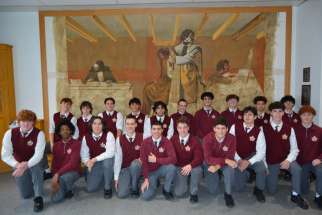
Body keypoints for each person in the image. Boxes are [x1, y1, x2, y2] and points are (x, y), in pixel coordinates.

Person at [263, 102, 308, 209]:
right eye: (274, 111)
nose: (277, 114)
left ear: (283, 113)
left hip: (285, 159)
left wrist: (288, 160)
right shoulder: (263, 129)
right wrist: (265, 166)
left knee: (297, 169)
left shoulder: (289, 128)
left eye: (280, 111)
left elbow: (295, 149)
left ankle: (295, 195)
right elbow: (261, 150)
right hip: (271, 161)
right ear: (270, 113)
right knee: (271, 191)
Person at [1, 110, 45, 212]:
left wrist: (26, 164)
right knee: (26, 195)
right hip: (18, 164)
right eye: (23, 120)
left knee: (36, 169)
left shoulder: (39, 134)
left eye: (29, 121)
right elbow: (5, 155)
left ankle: (38, 198)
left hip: (34, 162)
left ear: (33, 122)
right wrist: (18, 165)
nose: (26, 123)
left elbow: (38, 155)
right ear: (19, 122)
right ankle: (35, 179)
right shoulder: (9, 133)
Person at [229, 106, 266, 202]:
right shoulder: (234, 127)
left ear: (255, 117)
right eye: (245, 114)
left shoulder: (259, 131)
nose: (247, 117)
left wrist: (248, 162)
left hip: (252, 157)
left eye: (250, 115)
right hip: (238, 157)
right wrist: (239, 160)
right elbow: (230, 146)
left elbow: (261, 152)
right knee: (239, 189)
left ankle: (258, 190)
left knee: (261, 169)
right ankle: (247, 174)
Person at [203, 116, 237, 208]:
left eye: (223, 128)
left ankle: (228, 194)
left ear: (227, 129)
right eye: (218, 128)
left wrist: (218, 166)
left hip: (224, 164)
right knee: (213, 191)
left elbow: (230, 156)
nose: (220, 131)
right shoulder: (207, 138)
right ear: (214, 129)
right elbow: (208, 158)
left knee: (230, 169)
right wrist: (224, 160)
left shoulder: (232, 138)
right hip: (210, 163)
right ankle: (216, 176)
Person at [294, 105, 322, 209]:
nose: (306, 117)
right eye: (304, 115)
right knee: (304, 191)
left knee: (321, 171)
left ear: (313, 116)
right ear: (300, 116)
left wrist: (319, 158)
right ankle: (307, 180)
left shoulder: (320, 131)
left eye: (309, 115)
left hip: (315, 161)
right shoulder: (294, 130)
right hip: (301, 162)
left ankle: (319, 196)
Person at [140, 121, 177, 201]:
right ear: (151, 130)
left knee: (171, 167)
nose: (156, 131)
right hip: (150, 172)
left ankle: (166, 190)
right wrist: (146, 179)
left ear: (162, 130)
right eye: (154, 129)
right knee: (146, 196)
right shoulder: (145, 143)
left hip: (161, 168)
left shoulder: (167, 141)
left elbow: (173, 159)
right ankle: (155, 182)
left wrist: (157, 159)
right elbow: (144, 163)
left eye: (158, 129)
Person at [81, 116, 115, 199]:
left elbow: (110, 152)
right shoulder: (86, 137)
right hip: (94, 163)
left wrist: (94, 159)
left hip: (107, 161)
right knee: (90, 188)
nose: (97, 126)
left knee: (107, 162)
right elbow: (84, 154)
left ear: (103, 126)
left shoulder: (109, 135)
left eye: (100, 124)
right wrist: (87, 163)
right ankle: (103, 176)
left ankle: (107, 187)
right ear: (91, 125)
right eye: (94, 124)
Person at [171, 117, 203, 203]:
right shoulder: (173, 139)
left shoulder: (195, 140)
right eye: (180, 127)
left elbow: (199, 158)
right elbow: (171, 156)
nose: (182, 130)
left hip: (192, 166)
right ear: (177, 128)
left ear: (188, 128)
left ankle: (193, 193)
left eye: (185, 127)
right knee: (179, 193)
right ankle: (185, 180)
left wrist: (190, 165)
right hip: (179, 167)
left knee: (197, 170)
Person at [51, 120, 81, 203]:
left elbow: (73, 164)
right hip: (60, 173)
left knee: (64, 178)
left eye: (67, 129)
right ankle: (67, 189)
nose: (65, 131)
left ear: (71, 131)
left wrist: (57, 174)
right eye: (62, 130)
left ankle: (68, 188)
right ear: (59, 132)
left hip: (74, 171)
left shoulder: (77, 143)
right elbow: (54, 164)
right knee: (55, 199)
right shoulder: (56, 145)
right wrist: (54, 175)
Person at [114, 116, 143, 198]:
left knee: (135, 164)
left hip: (138, 167)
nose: (130, 126)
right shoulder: (119, 139)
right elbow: (118, 159)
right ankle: (133, 180)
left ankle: (134, 188)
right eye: (127, 124)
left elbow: (146, 155)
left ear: (136, 125)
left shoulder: (142, 137)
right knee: (121, 194)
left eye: (132, 124)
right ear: (125, 125)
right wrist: (116, 178)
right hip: (125, 168)